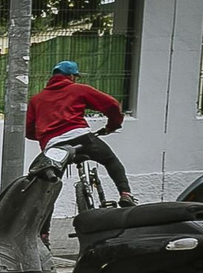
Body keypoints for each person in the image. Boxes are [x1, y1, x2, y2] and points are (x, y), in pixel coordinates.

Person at [26, 61, 135, 206]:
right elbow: (112, 104)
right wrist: (112, 126)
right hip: (81, 138)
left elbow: (28, 130)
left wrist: (46, 138)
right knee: (110, 160)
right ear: (71, 76)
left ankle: (44, 228)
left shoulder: (36, 99)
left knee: (49, 187)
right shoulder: (79, 89)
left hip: (55, 147)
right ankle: (125, 194)